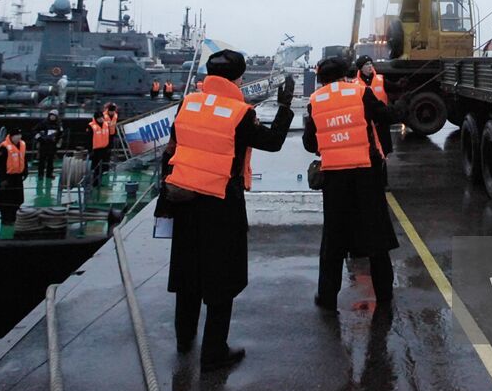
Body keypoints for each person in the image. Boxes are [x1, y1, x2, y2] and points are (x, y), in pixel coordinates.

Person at [164, 49, 294, 372]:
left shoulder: (188, 104)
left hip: (184, 200)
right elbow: (274, 141)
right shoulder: (240, 114)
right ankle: (214, 352)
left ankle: (184, 339)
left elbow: (174, 145)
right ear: (238, 78)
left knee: (188, 272)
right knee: (221, 278)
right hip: (222, 203)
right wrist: (285, 106)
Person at [303, 56, 398, 310]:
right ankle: (385, 295)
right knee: (376, 236)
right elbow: (385, 115)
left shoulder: (315, 102)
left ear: (321, 78)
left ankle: (326, 297)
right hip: (366, 175)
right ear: (345, 74)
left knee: (333, 240)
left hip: (334, 178)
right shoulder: (360, 93)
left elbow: (310, 144)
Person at [0, 126, 28, 227]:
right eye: (16, 135)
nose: (18, 137)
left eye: (20, 135)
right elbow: (0, 165)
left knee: (17, 198)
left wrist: (25, 171)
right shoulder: (4, 147)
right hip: (7, 177)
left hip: (17, 177)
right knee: (6, 199)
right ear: (11, 136)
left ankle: (14, 217)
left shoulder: (22, 145)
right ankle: (5, 219)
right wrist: (3, 178)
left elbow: (23, 159)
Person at [33, 111, 62, 182]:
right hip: (43, 145)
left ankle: (49, 174)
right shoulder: (43, 123)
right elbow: (34, 131)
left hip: (52, 146)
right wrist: (40, 139)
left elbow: (60, 134)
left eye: (54, 116)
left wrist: (56, 140)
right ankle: (40, 175)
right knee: (42, 161)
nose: (52, 117)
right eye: (51, 115)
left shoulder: (58, 125)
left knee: (50, 161)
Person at [87, 111, 112, 188]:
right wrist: (90, 150)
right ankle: (94, 183)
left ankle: (99, 182)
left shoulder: (106, 125)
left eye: (101, 117)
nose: (101, 119)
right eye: (99, 118)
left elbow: (109, 137)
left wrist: (109, 148)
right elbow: (88, 140)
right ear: (95, 118)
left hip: (104, 149)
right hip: (95, 150)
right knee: (95, 168)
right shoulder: (91, 126)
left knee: (103, 167)